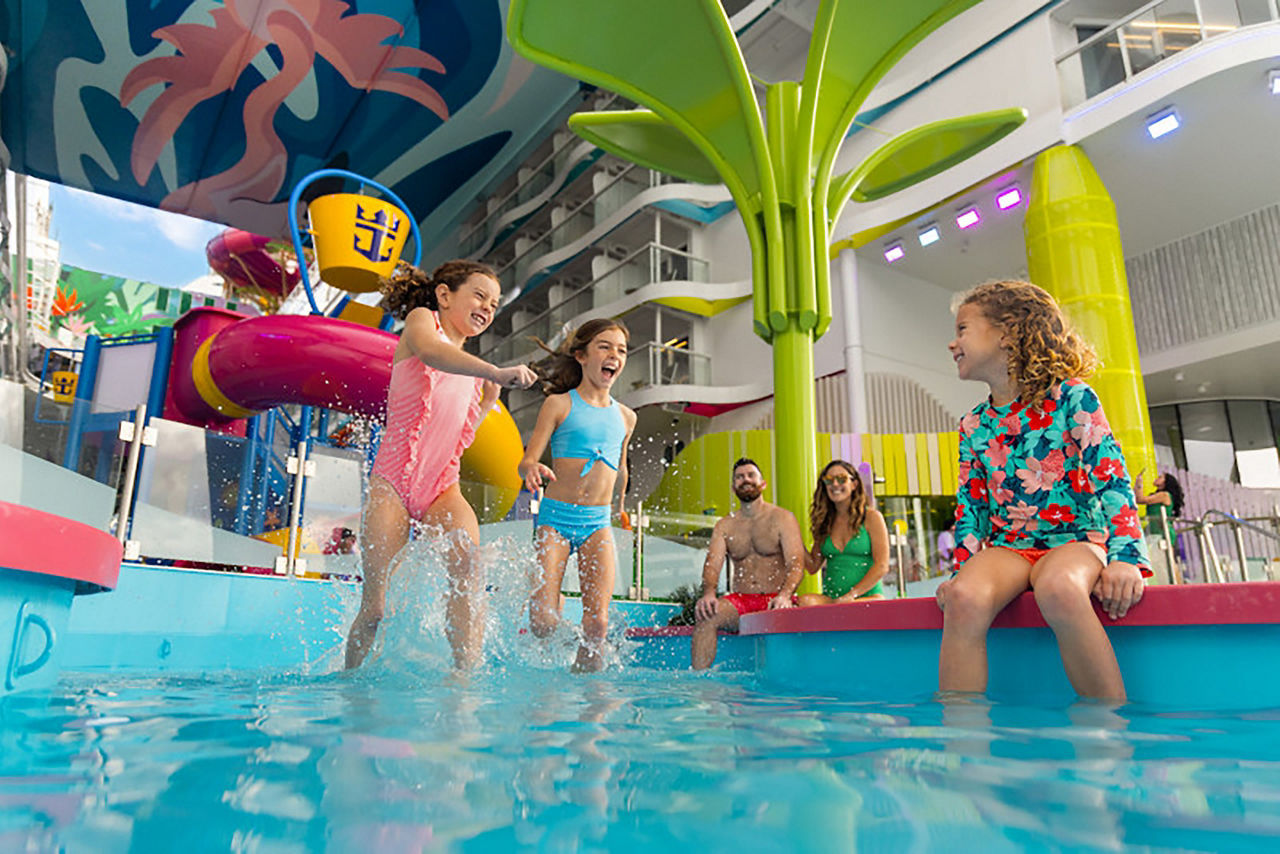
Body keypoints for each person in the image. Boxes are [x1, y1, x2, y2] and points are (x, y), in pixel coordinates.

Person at [935, 280, 1150, 702]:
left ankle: (1110, 728)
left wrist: (1126, 559)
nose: (952, 343)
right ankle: (963, 742)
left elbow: (1111, 478)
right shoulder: (974, 424)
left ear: (1007, 332)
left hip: (1075, 539)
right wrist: (962, 568)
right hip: (1010, 548)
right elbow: (972, 507)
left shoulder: (1072, 398)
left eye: (962, 329)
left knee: (1059, 588)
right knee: (963, 598)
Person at [345, 261, 538, 670]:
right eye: (480, 296)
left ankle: (463, 678)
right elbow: (433, 354)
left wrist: (486, 402)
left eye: (495, 303)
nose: (488, 307)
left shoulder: (471, 375)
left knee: (469, 569)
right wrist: (496, 373)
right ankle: (351, 682)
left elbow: (457, 441)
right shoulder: (422, 323)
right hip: (394, 482)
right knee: (377, 606)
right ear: (445, 295)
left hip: (442, 488)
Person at [518, 318, 637, 672]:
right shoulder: (559, 404)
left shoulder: (627, 417)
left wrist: (622, 506)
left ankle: (586, 698)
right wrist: (531, 470)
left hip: (597, 524)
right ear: (582, 356)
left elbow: (622, 468)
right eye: (605, 346)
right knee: (542, 623)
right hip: (555, 519)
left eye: (621, 350)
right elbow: (528, 459)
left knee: (598, 625)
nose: (614, 355)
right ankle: (567, 644)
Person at [691, 458, 806, 670]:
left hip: (776, 599)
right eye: (739, 477)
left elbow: (796, 562)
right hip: (741, 602)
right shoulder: (725, 525)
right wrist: (708, 593)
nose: (746, 480)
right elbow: (712, 564)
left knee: (811, 608)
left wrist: (785, 594)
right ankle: (699, 686)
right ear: (733, 487)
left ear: (763, 483)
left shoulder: (782, 518)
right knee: (707, 618)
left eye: (751, 475)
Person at [798, 460, 890, 604]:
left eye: (841, 479)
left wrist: (852, 595)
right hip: (834, 599)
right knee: (804, 601)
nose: (835, 484)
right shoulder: (825, 522)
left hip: (867, 598)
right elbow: (812, 566)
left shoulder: (871, 518)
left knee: (851, 606)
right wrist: (793, 536)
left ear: (854, 484)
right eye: (829, 480)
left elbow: (882, 565)